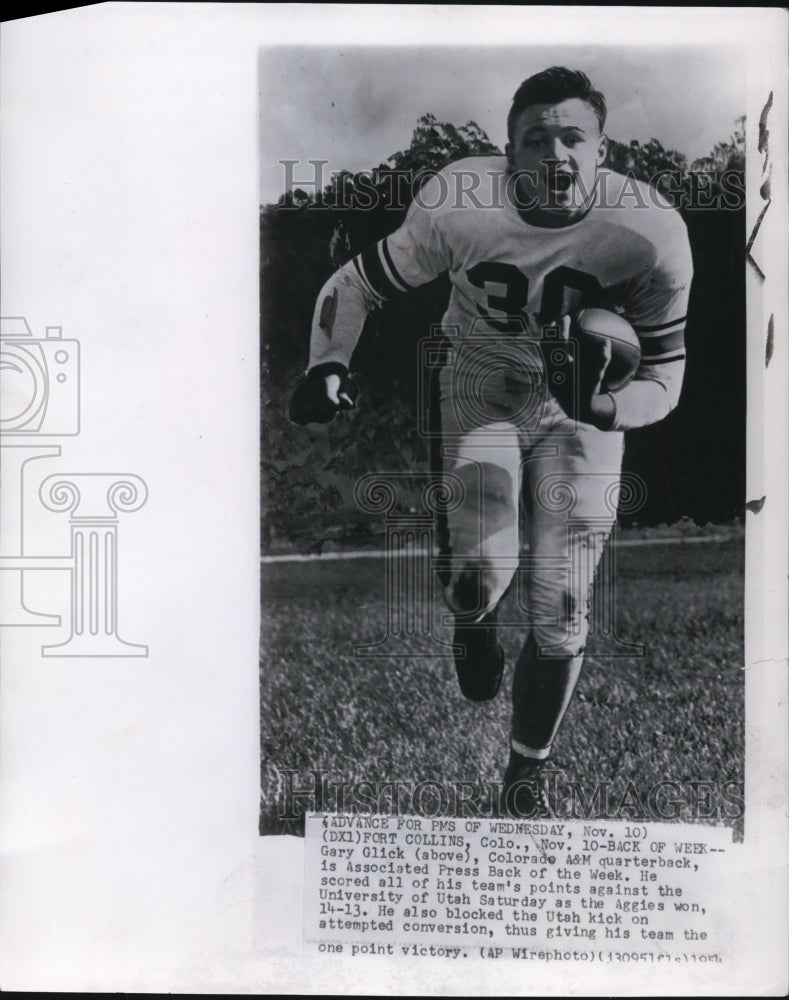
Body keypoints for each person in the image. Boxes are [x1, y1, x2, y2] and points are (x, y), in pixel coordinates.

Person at [289, 67, 693, 817]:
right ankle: (471, 622)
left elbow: (665, 380)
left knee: (563, 604)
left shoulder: (649, 229)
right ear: (507, 155)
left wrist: (602, 405)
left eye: (572, 137)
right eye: (534, 140)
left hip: (578, 408)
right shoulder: (460, 203)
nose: (554, 154)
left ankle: (524, 774)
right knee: (476, 575)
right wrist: (327, 364)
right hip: (480, 389)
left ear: (601, 150)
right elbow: (355, 284)